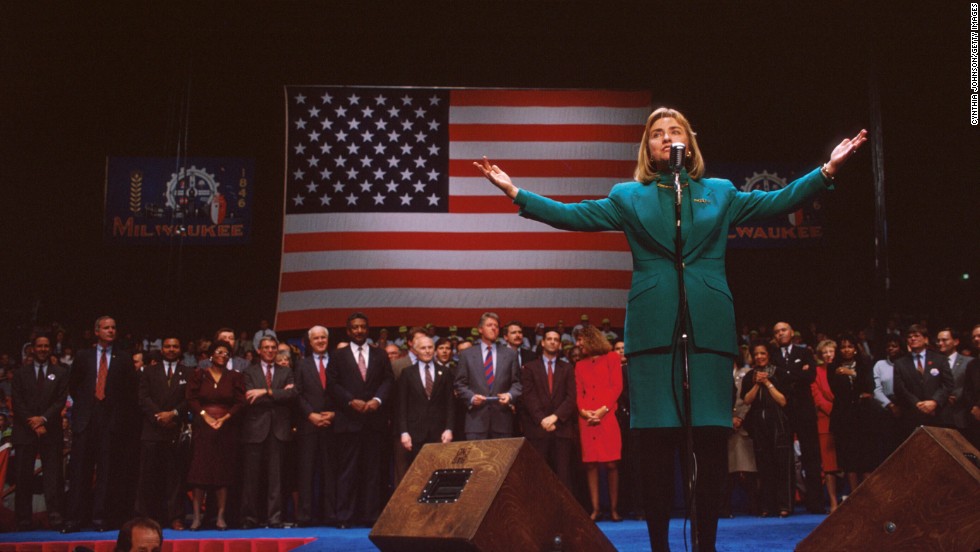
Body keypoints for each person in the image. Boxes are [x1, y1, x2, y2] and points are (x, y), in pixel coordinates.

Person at [475, 107, 866, 550]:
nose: (666, 137)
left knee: (710, 444)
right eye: (657, 133)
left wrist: (828, 169)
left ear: (688, 142)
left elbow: (778, 202)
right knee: (656, 447)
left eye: (674, 131)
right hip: (653, 335)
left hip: (709, 333)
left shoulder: (719, 193)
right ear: (648, 146)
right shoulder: (628, 196)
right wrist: (515, 192)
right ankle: (660, 545)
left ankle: (705, 545)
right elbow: (573, 216)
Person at [64, 316, 138, 533]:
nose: (111, 331)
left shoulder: (123, 358)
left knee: (107, 472)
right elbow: (74, 385)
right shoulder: (83, 356)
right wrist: (89, 405)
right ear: (96, 331)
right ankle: (76, 519)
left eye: (114, 327)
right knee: (79, 472)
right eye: (106, 327)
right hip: (86, 420)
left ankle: (100, 518)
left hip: (111, 423)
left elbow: (129, 392)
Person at [327, 312, 394, 528]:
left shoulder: (380, 354)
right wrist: (349, 401)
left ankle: (371, 516)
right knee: (348, 471)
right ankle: (345, 516)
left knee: (373, 471)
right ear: (348, 331)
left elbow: (388, 380)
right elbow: (332, 384)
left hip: (374, 421)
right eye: (354, 327)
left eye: (363, 327)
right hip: (349, 420)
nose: (359, 331)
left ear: (368, 329)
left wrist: (377, 399)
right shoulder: (338, 356)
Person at [186, 340, 245, 530]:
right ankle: (196, 517)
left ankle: (221, 517)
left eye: (226, 353)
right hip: (203, 427)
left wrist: (226, 418)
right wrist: (205, 416)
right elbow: (191, 398)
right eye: (219, 352)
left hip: (226, 428)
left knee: (223, 473)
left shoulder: (235, 376)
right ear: (211, 355)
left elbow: (240, 401)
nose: (223, 355)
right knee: (199, 473)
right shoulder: (199, 374)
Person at [135, 336, 192, 530]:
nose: (171, 349)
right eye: (167, 346)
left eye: (175, 346)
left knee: (175, 478)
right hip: (152, 430)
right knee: (148, 477)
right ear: (162, 350)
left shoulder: (188, 372)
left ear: (180, 349)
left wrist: (174, 414)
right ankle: (145, 518)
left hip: (175, 430)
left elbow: (190, 399)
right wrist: (159, 416)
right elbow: (143, 398)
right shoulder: (149, 371)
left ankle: (175, 517)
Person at [12, 334, 68, 530]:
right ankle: (23, 520)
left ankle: (55, 517)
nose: (43, 349)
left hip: (50, 431)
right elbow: (17, 402)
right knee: (23, 476)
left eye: (46, 346)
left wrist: (43, 419)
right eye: (39, 346)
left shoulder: (60, 373)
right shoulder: (20, 373)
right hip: (24, 431)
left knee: (53, 477)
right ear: (32, 349)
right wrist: (34, 423)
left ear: (50, 348)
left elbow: (59, 401)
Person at [240, 337, 297, 528]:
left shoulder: (286, 371)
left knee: (276, 478)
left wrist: (265, 392)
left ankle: (275, 518)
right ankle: (249, 518)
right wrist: (278, 393)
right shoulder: (249, 372)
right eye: (266, 348)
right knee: (251, 478)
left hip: (278, 429)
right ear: (259, 350)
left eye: (273, 348)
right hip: (255, 429)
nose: (270, 351)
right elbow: (249, 397)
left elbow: (291, 395)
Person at [770, 321, 824, 514]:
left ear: (792, 332)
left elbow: (809, 376)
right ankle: (787, 504)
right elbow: (776, 378)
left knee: (811, 457)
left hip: (805, 410)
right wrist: (794, 373)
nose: (780, 334)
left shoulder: (805, 352)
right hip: (783, 411)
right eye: (776, 332)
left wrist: (786, 374)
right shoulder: (773, 356)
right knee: (785, 458)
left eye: (783, 330)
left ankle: (816, 504)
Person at [574, 325, 624, 521]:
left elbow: (617, 386)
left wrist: (603, 410)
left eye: (581, 340)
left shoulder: (612, 358)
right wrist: (584, 412)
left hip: (607, 416)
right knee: (591, 465)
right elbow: (579, 393)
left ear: (591, 339)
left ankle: (614, 509)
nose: (578, 344)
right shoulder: (579, 365)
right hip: (587, 418)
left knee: (611, 463)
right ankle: (595, 509)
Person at [519, 329, 577, 491]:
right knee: (537, 475)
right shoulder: (530, 368)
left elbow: (571, 398)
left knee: (563, 476)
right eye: (549, 339)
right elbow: (528, 397)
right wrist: (542, 419)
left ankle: (563, 515)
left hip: (561, 429)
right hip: (538, 429)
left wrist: (555, 417)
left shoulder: (567, 368)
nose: (552, 342)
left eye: (556, 339)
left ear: (559, 344)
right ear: (542, 343)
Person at [740, 341, 793, 518]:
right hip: (758, 424)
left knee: (781, 465)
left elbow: (783, 401)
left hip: (778, 423)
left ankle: (784, 505)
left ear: (768, 354)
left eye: (762, 353)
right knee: (764, 466)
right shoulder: (749, 376)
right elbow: (747, 400)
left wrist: (768, 382)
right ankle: (766, 506)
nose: (759, 357)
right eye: (756, 354)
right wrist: (757, 383)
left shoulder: (779, 373)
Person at [453, 312, 522, 440]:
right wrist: (472, 398)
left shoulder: (510, 354)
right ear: (480, 329)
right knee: (477, 460)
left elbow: (517, 383)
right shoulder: (467, 354)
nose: (494, 328)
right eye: (489, 325)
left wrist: (510, 395)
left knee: (502, 460)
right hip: (476, 422)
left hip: (502, 421)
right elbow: (460, 384)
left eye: (496, 326)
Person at [294, 325, 337, 527]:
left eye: (323, 338)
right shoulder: (301, 364)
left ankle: (331, 515)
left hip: (333, 424)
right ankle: (304, 516)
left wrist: (335, 413)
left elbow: (344, 390)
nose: (320, 341)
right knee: (306, 472)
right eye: (316, 338)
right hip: (309, 425)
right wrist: (310, 414)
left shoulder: (338, 363)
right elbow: (298, 393)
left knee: (331, 472)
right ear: (309, 342)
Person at [828, 334, 878, 493]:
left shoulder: (865, 364)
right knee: (850, 459)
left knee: (867, 457)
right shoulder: (833, 367)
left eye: (850, 346)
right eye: (843, 347)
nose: (846, 350)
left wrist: (852, 374)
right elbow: (836, 391)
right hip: (844, 416)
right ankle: (855, 495)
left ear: (855, 349)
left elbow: (869, 386)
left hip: (864, 416)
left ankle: (869, 495)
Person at [396, 336, 455, 464]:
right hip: (415, 433)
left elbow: (450, 404)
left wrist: (449, 428)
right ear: (415, 351)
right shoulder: (407, 373)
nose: (427, 351)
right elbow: (402, 406)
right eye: (423, 348)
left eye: (430, 347)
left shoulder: (445, 372)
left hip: (440, 433)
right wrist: (404, 432)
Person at [892, 324, 954, 438]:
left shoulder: (940, 359)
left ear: (926, 339)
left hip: (937, 415)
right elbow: (900, 388)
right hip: (912, 415)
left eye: (916, 335)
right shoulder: (900, 363)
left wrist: (934, 402)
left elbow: (948, 384)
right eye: (910, 337)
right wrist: (918, 404)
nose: (913, 338)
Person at [810, 339, 840, 512]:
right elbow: (818, 398)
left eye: (831, 351)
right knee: (829, 467)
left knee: (850, 464)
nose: (828, 355)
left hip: (846, 420)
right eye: (825, 352)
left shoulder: (842, 370)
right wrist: (835, 412)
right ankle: (834, 502)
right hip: (825, 421)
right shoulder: (817, 372)